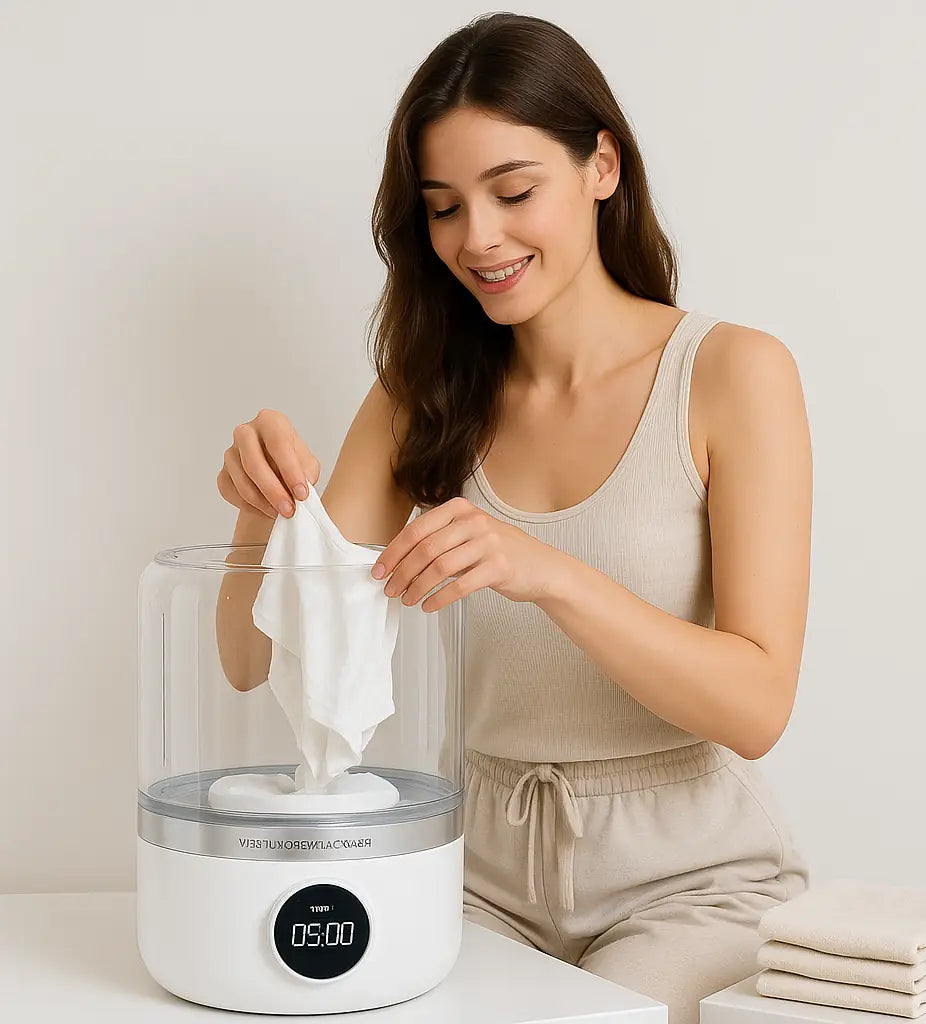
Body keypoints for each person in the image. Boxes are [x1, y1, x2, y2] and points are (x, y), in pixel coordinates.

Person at [217, 13, 813, 1024]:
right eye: (443, 208)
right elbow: (248, 657)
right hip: (472, 870)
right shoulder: (421, 394)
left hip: (689, 880)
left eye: (513, 190)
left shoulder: (728, 375)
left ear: (602, 167)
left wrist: (547, 571)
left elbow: (757, 706)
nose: (476, 238)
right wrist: (254, 508)